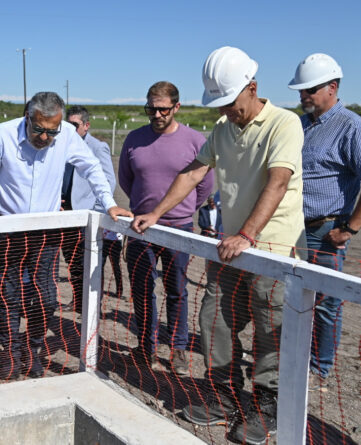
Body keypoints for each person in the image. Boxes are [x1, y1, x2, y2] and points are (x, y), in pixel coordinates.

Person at [132, 47, 305, 445]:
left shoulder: (285, 124)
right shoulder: (223, 130)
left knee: (270, 329)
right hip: (231, 246)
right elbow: (194, 173)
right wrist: (157, 213)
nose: (227, 111)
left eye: (231, 103)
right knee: (214, 319)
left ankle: (268, 405)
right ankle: (223, 396)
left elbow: (278, 181)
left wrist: (247, 235)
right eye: (221, 104)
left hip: (273, 250)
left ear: (253, 87)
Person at [0, 92, 132, 380]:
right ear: (27, 117)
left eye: (51, 131)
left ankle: (33, 349)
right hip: (8, 230)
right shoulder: (2, 134)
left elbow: (92, 167)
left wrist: (108, 202)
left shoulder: (67, 134)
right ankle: (10, 352)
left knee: (44, 298)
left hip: (47, 231)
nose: (45, 137)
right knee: (9, 295)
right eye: (39, 129)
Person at [287, 53, 361, 389]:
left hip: (325, 230)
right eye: (301, 90)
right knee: (292, 294)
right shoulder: (300, 125)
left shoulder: (352, 127)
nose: (304, 95)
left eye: (311, 89)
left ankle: (320, 366)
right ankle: (296, 355)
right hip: (292, 228)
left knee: (327, 301)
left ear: (333, 87)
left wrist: (349, 229)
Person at [119, 81, 213, 376]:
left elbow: (204, 184)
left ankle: (178, 349)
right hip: (141, 227)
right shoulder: (134, 139)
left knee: (177, 291)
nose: (156, 114)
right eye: (151, 108)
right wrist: (143, 208)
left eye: (162, 109)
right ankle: (145, 347)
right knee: (143, 290)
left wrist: (183, 210)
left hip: (178, 229)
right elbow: (126, 179)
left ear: (176, 107)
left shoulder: (195, 141)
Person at [60, 105, 119, 312]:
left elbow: (109, 182)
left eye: (74, 125)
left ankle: (91, 305)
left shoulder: (97, 147)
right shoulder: (62, 145)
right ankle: (78, 301)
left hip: (86, 217)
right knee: (73, 262)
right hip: (65, 215)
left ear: (86, 125)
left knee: (90, 262)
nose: (70, 128)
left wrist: (93, 211)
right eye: (67, 124)